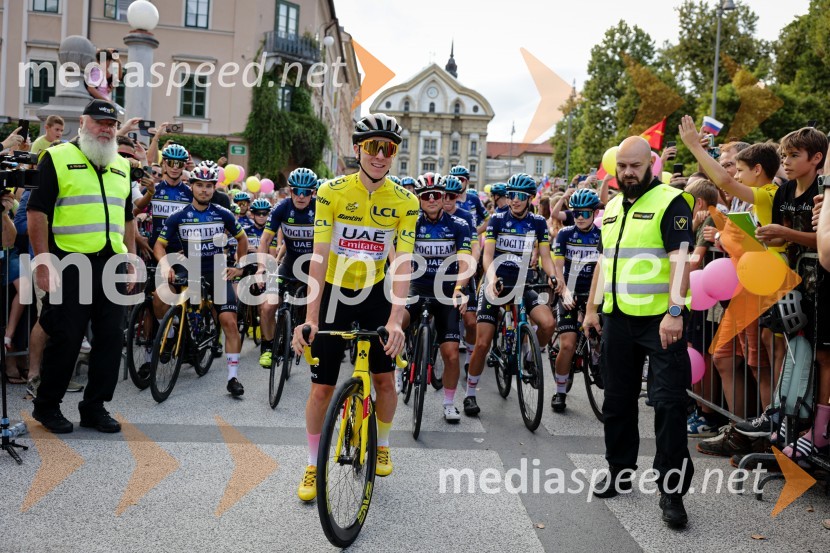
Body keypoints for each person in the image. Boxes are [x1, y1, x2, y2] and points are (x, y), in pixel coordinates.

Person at [291, 113, 418, 502]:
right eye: (373, 147)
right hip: (334, 291)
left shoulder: (405, 201)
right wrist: (310, 319)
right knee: (321, 390)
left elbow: (403, 263)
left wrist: (396, 321)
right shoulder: (330, 192)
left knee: (384, 381)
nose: (381, 155)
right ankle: (314, 465)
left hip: (375, 292)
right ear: (359, 149)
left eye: (389, 148)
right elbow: (318, 257)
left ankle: (381, 442)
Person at [582, 136, 695, 528]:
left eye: (636, 165)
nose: (628, 172)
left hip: (661, 320)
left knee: (667, 405)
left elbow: (681, 260)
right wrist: (593, 308)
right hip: (617, 319)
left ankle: (672, 490)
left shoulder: (671, 201)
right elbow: (604, 261)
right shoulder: (611, 207)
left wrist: (676, 311)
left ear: (650, 163)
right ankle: (619, 469)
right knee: (617, 399)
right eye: (623, 166)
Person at [28, 99, 137, 434]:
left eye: (111, 124)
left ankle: (94, 407)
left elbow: (128, 217)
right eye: (100, 122)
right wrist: (44, 261)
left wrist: (131, 259)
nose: (106, 129)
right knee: (67, 337)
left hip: (111, 264)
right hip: (70, 262)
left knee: (109, 340)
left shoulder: (122, 165)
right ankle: (47, 407)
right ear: (83, 122)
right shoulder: (57, 157)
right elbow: (37, 213)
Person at [465, 172, 557, 417]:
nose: (514, 200)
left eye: (520, 196)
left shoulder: (537, 222)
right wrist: (492, 278)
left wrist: (553, 275)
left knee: (548, 323)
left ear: (530, 198)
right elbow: (487, 255)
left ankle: (529, 356)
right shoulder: (497, 218)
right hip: (496, 283)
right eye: (511, 195)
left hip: (522, 284)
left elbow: (546, 256)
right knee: (483, 342)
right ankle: (470, 393)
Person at [153, 166, 249, 397]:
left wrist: (239, 266)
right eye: (199, 185)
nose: (204, 190)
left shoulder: (222, 213)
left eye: (208, 186)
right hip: (191, 270)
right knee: (163, 298)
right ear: (192, 186)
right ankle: (175, 332)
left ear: (214, 188)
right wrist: (165, 265)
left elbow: (242, 239)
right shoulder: (179, 216)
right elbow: (159, 244)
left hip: (217, 271)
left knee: (229, 321)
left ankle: (232, 377)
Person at [403, 175, 472, 422]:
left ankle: (448, 403)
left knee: (452, 353)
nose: (431, 199)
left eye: (436, 195)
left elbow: (465, 260)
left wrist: (460, 288)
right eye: (425, 195)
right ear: (419, 199)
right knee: (395, 324)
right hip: (417, 286)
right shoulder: (410, 223)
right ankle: (399, 361)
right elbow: (396, 253)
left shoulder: (458, 225)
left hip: (446, 290)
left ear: (444, 197)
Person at [258, 168, 317, 368]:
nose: (301, 196)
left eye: (306, 192)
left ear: (313, 193)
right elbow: (265, 240)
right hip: (289, 264)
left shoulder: (320, 209)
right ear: (290, 191)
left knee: (315, 309)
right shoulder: (281, 208)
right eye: (297, 191)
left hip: (313, 266)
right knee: (267, 307)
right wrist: (261, 268)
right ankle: (268, 346)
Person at [550, 189, 602, 413]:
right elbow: (558, 268)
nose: (580, 217)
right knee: (568, 344)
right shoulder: (564, 234)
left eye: (585, 213)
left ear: (594, 213)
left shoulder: (602, 235)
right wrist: (564, 292)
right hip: (569, 292)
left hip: (595, 295)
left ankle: (599, 365)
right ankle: (560, 391)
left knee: (604, 340)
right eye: (576, 212)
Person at [450, 165, 488, 233]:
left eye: (460, 179)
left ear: (467, 181)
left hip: (470, 242)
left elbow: (489, 219)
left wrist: (475, 233)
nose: (457, 182)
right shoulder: (446, 200)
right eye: (454, 179)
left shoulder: (474, 199)